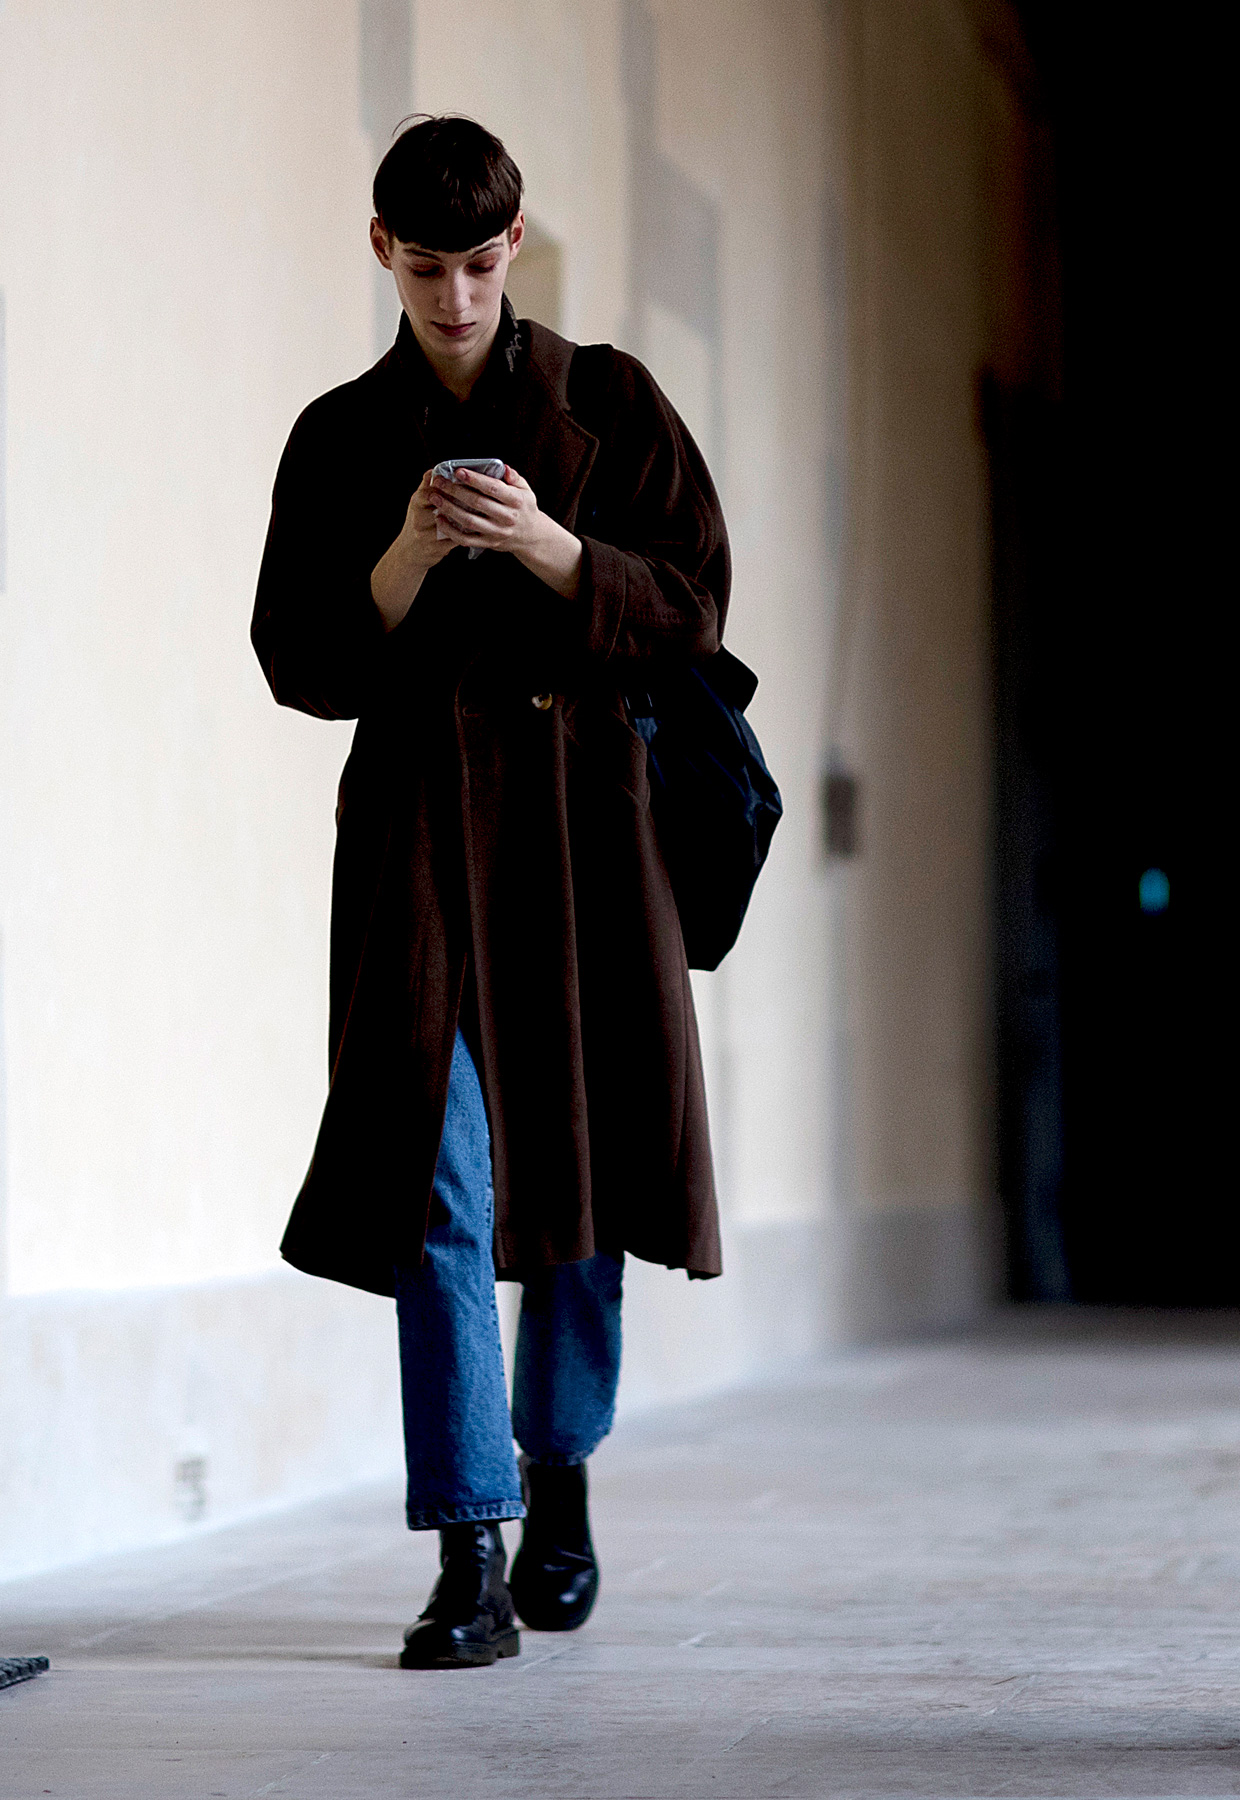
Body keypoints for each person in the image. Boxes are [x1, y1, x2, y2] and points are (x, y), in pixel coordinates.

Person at [250, 115, 730, 1670]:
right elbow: (297, 659)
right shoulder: (340, 436)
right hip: (418, 853)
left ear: (514, 245)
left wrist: (549, 547)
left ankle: (560, 1470)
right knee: (439, 1187)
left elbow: (696, 605)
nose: (454, 298)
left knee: (581, 1180)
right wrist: (402, 555)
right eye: (424, 267)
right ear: (379, 252)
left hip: (587, 844)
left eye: (477, 264)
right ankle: (470, 1546)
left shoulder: (610, 403)